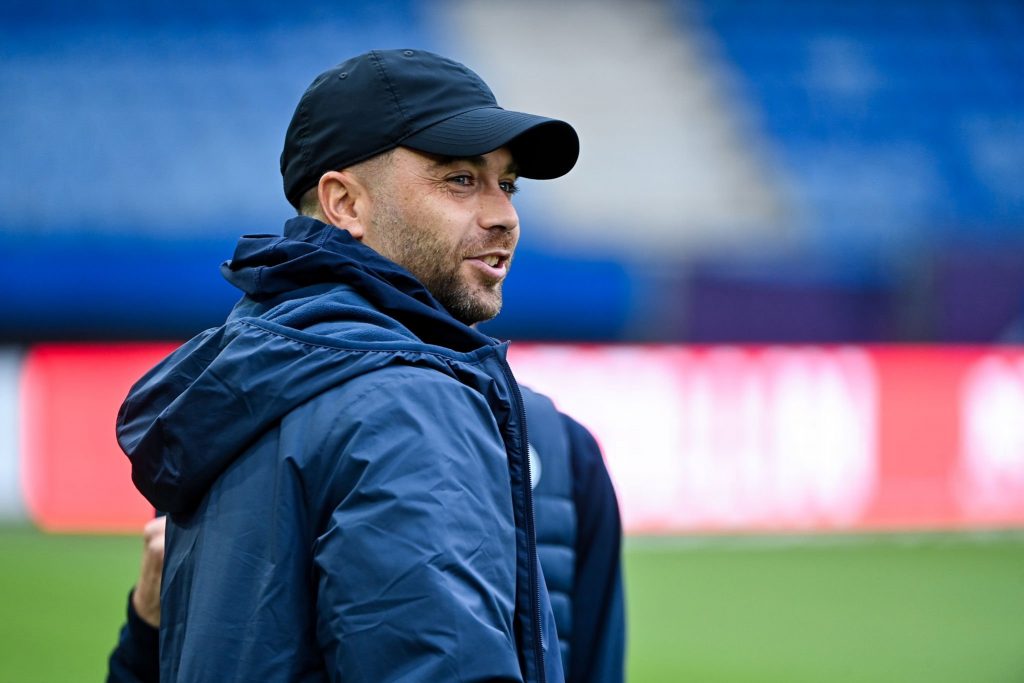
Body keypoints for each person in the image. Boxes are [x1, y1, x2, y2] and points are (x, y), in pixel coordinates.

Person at [115, 49, 580, 682]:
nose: (505, 215)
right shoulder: (408, 402)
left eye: (507, 184)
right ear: (345, 204)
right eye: (459, 179)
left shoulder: (253, 372)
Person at [108, 388, 626, 683]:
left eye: (507, 190)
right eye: (457, 188)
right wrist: (147, 632)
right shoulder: (231, 431)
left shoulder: (561, 450)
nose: (504, 231)